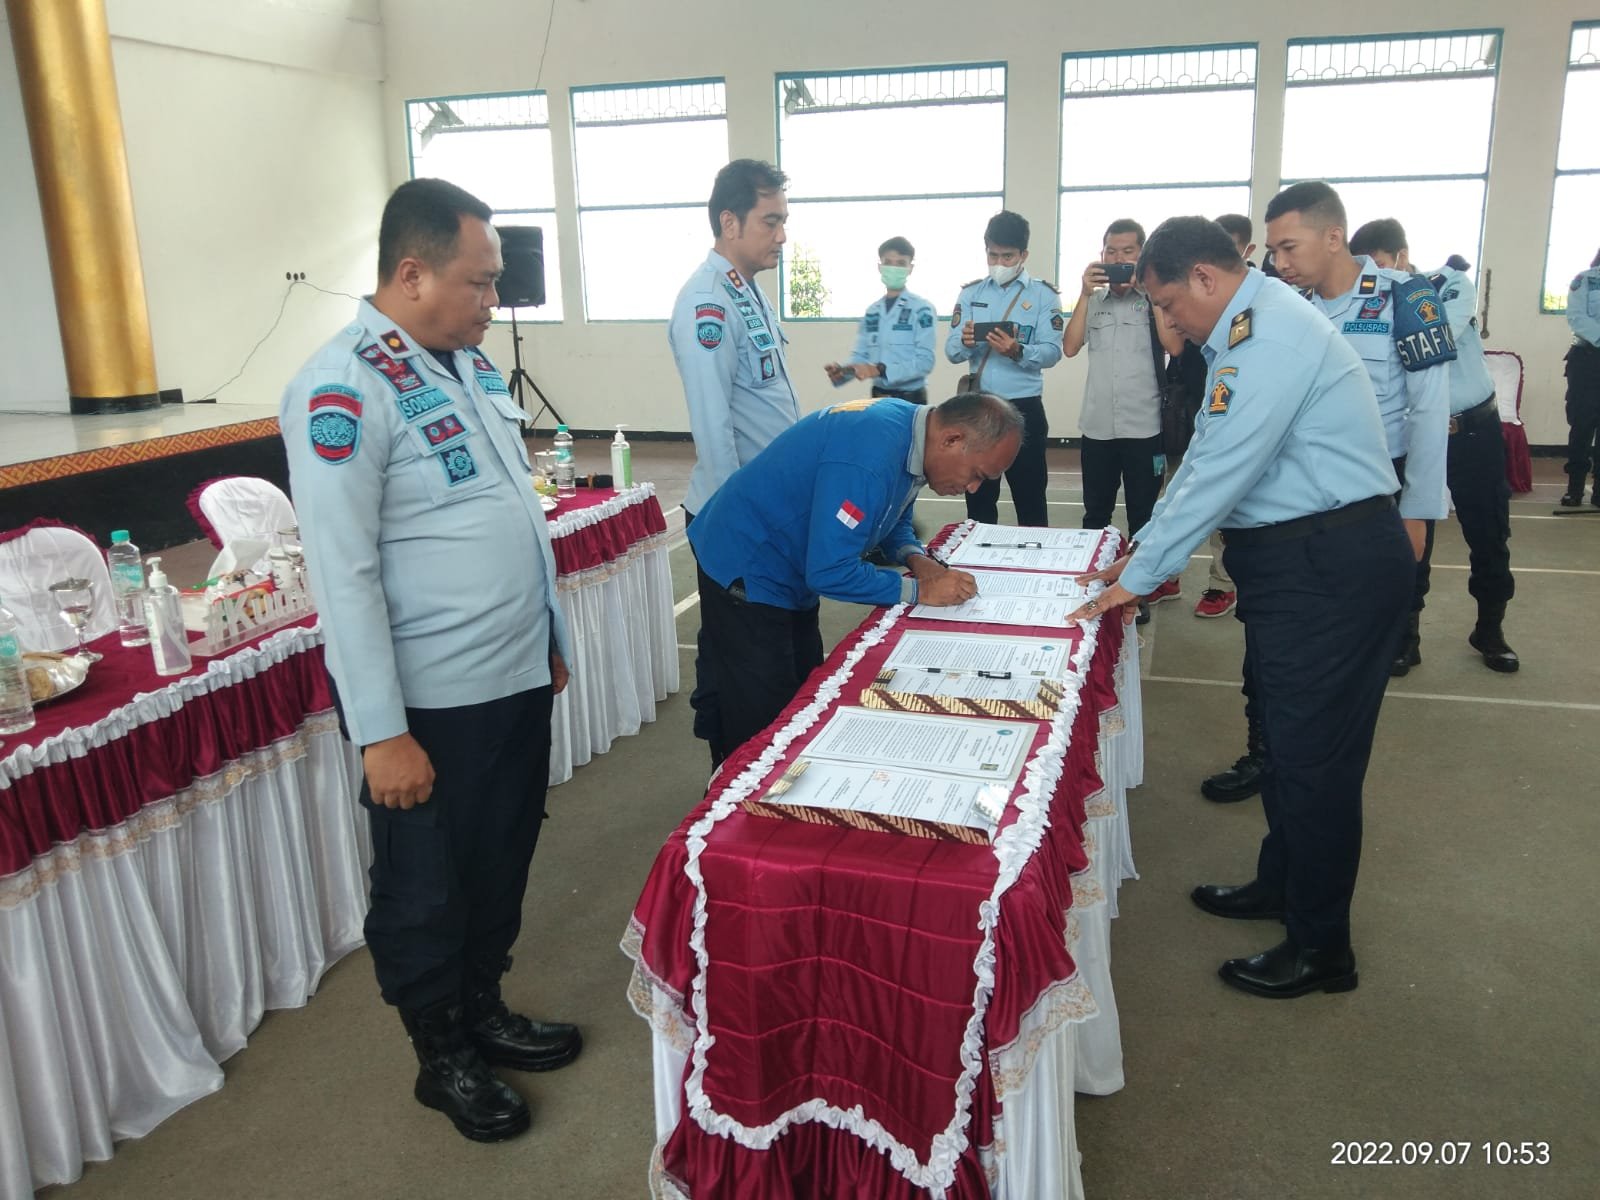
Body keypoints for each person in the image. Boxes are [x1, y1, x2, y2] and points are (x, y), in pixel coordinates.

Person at [280, 178, 579, 1142]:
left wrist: (546, 639)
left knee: (500, 859)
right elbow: (345, 573)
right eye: (479, 283)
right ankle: (440, 1051)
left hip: (510, 678)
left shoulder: (463, 364)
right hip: (428, 706)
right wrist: (381, 732)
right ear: (411, 274)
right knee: (426, 884)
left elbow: (509, 514)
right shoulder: (341, 389)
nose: (493, 302)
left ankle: (483, 1003)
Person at [1066, 216, 1413, 999]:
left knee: (1317, 765)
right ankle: (1280, 887)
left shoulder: (1271, 341)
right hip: (1298, 565)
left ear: (1206, 281)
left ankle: (1323, 949)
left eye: (1167, 304)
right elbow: (1196, 469)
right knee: (1289, 748)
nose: (1168, 322)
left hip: (1330, 567)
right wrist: (1140, 548)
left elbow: (1222, 467)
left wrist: (1144, 573)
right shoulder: (1246, 335)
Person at [688, 393, 1022, 764]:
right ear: (952, 439)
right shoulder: (869, 455)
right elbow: (829, 572)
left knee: (802, 690)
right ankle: (733, 796)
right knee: (760, 713)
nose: (974, 488)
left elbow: (892, 514)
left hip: (788, 563)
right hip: (748, 563)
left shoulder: (913, 436)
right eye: (977, 474)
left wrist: (915, 558)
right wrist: (917, 589)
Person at [1265, 181, 1450, 676]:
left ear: (1332, 236)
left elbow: (1431, 411)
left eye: (1289, 248)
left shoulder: (1406, 297)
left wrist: (1417, 511)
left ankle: (1400, 634)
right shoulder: (1291, 308)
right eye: (1273, 251)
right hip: (1311, 480)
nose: (1280, 263)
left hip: (1384, 478)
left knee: (1387, 598)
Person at [668, 159, 801, 756]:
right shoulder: (707, 302)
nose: (781, 234)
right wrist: (735, 527)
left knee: (777, 667)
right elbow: (714, 425)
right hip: (740, 518)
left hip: (770, 513)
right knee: (754, 680)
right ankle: (740, 806)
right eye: (770, 221)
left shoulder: (747, 291)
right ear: (729, 221)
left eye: (783, 220)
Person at [1349, 219, 1519, 671]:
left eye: (1381, 265)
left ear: (1400, 257)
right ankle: (1407, 635)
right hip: (1415, 435)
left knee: (1489, 535)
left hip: (1472, 432)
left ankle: (1490, 629)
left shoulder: (1448, 283)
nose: (1378, 277)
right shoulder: (1365, 302)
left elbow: (1440, 328)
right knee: (1413, 538)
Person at [1063, 219, 1185, 612]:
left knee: (1142, 514)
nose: (1118, 259)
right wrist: (1084, 293)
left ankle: (1137, 589)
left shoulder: (1154, 300)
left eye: (1127, 252)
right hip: (1097, 426)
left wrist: (1149, 293)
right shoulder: (1094, 302)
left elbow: (1175, 347)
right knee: (1095, 511)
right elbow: (1069, 346)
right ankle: (1090, 582)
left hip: (1143, 425)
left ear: (1142, 255)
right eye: (1111, 252)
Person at [945, 211, 1063, 527]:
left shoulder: (1043, 296)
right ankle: (979, 570)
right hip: (979, 411)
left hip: (1024, 410)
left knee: (1031, 499)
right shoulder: (971, 294)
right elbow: (951, 351)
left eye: (1007, 256)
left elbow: (1054, 352)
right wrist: (967, 341)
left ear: (1023, 255)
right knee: (979, 504)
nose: (999, 262)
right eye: (992, 254)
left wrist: (1018, 350)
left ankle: (1035, 570)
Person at [826, 236, 938, 405]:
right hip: (878, 399)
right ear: (880, 267)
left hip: (911, 400)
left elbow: (925, 362)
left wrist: (880, 370)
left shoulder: (922, 309)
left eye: (901, 263)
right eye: (888, 262)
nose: (894, 268)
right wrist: (844, 372)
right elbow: (861, 355)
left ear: (910, 268)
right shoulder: (872, 312)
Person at [1562, 247, 1600, 508]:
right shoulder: (1585, 279)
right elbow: (1576, 317)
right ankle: (1575, 489)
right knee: (1582, 425)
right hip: (1587, 360)